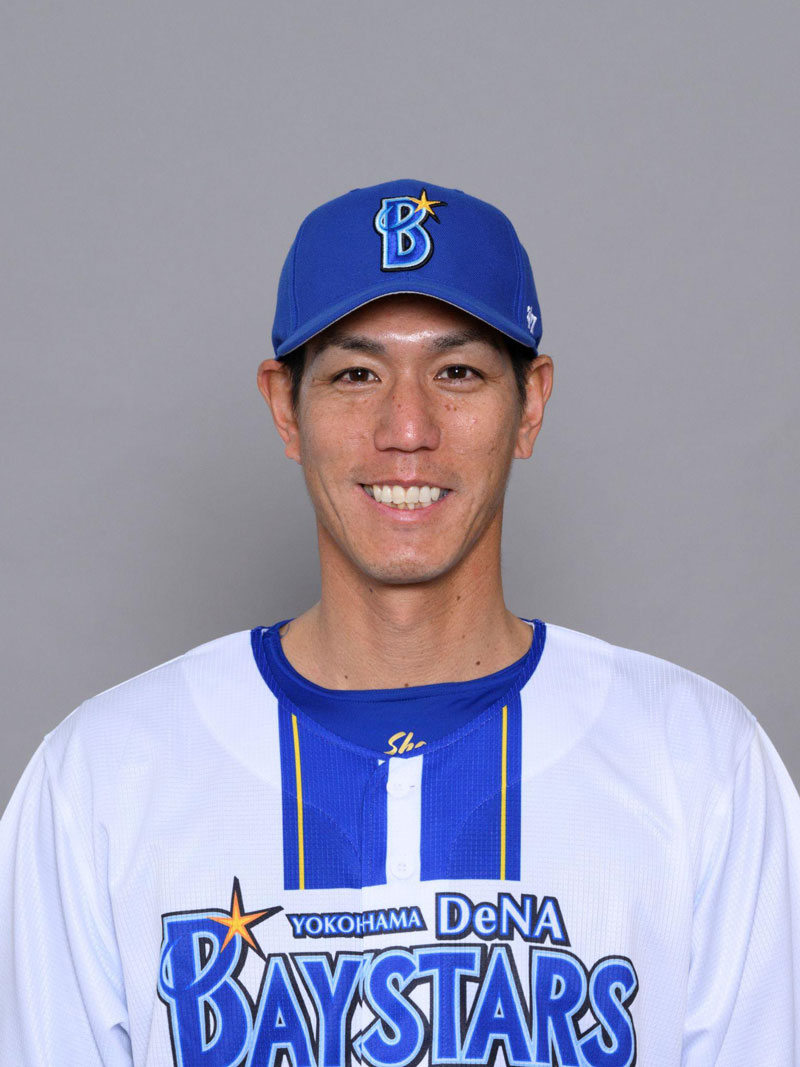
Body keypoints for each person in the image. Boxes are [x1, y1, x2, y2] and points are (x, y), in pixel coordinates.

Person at [1, 179, 798, 1065]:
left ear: (530, 404)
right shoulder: (103, 778)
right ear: (284, 407)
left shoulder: (699, 765)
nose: (408, 428)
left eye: (457, 373)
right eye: (356, 375)